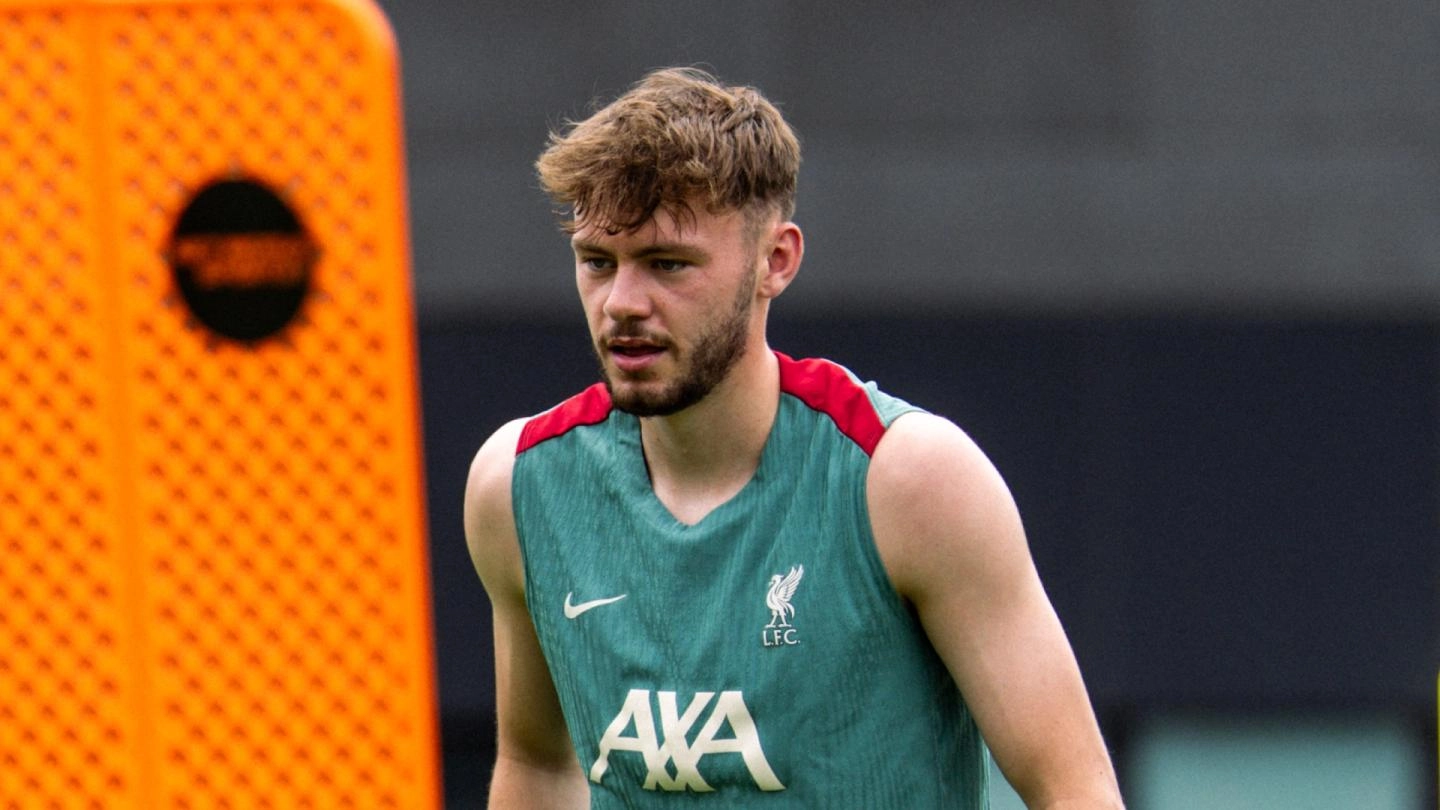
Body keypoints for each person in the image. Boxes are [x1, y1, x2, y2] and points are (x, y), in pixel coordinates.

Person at [464, 66, 1124, 808]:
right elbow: (537, 764)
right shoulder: (516, 485)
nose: (621, 302)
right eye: (597, 262)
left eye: (667, 264)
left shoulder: (911, 479)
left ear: (775, 261)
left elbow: (1076, 792)